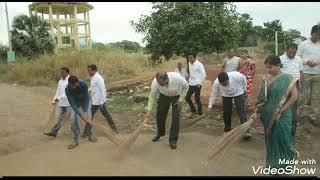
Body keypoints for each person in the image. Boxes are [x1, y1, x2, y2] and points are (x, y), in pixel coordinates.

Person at [252, 55, 299, 172]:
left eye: (270, 67)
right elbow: (262, 98)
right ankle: (273, 166)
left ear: (278, 65)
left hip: (283, 115)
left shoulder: (288, 78)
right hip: (267, 115)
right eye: (266, 68)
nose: (268, 70)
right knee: (271, 141)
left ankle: (285, 166)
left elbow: (294, 97)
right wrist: (256, 112)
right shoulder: (265, 79)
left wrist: (280, 111)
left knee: (284, 139)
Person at [145, 72, 189, 149]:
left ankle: (173, 140)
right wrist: (149, 110)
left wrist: (181, 99)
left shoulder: (177, 79)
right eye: (160, 84)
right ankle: (160, 133)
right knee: (160, 115)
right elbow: (152, 96)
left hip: (176, 96)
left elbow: (186, 87)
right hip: (164, 96)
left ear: (167, 79)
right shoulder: (155, 83)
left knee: (175, 117)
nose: (161, 85)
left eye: (163, 84)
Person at [207, 71, 251, 138]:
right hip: (226, 95)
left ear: (228, 79)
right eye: (223, 84)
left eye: (226, 83)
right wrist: (210, 106)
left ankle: (246, 130)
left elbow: (244, 78)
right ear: (219, 82)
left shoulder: (236, 76)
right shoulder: (216, 83)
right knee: (226, 112)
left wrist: (244, 90)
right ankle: (227, 128)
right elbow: (214, 94)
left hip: (238, 92)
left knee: (241, 111)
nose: (225, 85)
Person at [82, 64, 118, 142]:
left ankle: (114, 130)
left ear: (94, 70)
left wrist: (102, 102)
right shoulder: (93, 78)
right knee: (90, 117)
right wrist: (88, 90)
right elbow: (93, 87)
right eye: (88, 71)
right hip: (95, 102)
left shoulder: (99, 78)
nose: (88, 72)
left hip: (100, 102)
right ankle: (86, 132)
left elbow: (103, 90)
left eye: (89, 70)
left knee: (106, 116)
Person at [296, 24, 320, 122]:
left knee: (316, 95)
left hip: (318, 73)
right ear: (312, 33)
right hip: (305, 73)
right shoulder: (303, 44)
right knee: (302, 95)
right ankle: (299, 114)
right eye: (317, 34)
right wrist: (307, 62)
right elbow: (297, 58)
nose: (318, 37)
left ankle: (314, 115)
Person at [280, 43, 304, 137]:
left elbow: (301, 72)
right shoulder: (280, 59)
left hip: (295, 84)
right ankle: (281, 130)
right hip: (283, 85)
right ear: (286, 50)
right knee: (282, 107)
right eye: (290, 53)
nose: (292, 55)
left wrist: (303, 85)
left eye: (294, 53)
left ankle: (292, 133)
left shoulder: (298, 59)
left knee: (294, 109)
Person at [65, 75, 91, 149]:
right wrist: (82, 116)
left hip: (84, 101)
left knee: (89, 117)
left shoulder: (83, 84)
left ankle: (90, 134)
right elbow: (73, 104)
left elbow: (86, 97)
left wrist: (85, 111)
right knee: (73, 119)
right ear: (69, 83)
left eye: (74, 85)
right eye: (71, 85)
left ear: (77, 82)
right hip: (75, 103)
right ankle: (75, 140)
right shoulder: (67, 89)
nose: (73, 87)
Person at [44, 67, 70, 137]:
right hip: (61, 103)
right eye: (61, 72)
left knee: (73, 120)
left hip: (69, 104)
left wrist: (58, 98)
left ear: (67, 73)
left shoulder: (70, 81)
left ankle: (76, 134)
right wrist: (54, 99)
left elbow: (67, 93)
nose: (61, 74)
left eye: (63, 72)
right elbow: (58, 91)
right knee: (58, 118)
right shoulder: (60, 81)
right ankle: (54, 132)